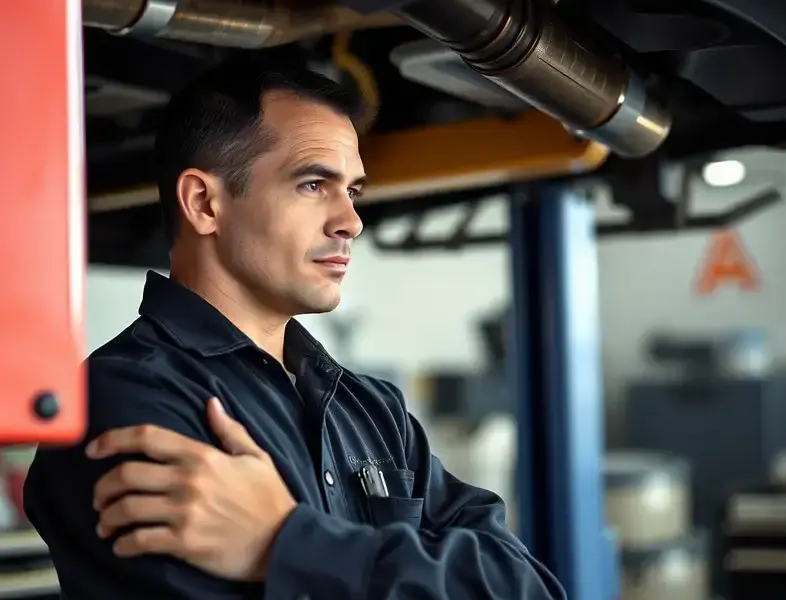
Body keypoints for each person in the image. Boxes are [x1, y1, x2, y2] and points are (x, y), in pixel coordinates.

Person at [24, 59, 565, 600]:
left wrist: (290, 544)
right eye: (313, 184)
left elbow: (528, 588)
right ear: (204, 203)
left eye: (352, 191)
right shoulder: (124, 401)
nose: (350, 222)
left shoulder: (372, 410)